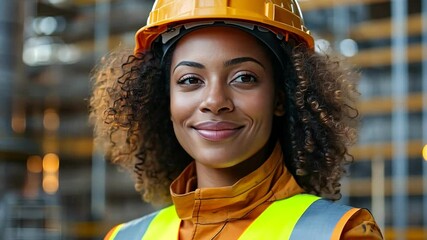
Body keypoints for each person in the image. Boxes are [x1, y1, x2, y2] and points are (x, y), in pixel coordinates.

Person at [90, 0, 384, 239]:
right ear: (164, 100)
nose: (215, 101)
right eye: (191, 79)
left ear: (280, 97)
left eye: (244, 77)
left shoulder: (341, 234)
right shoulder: (125, 237)